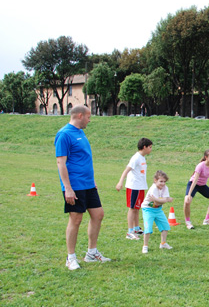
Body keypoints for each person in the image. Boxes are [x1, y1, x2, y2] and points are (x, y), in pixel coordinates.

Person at [54, 105, 110, 270]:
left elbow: (83, 160)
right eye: (88, 117)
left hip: (88, 184)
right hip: (75, 185)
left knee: (98, 215)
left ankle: (91, 253)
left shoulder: (80, 133)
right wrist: (68, 188)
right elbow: (61, 163)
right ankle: (70, 257)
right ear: (80, 115)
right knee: (76, 219)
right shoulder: (64, 134)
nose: (89, 120)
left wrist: (91, 181)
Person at [115, 138, 153, 240]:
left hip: (140, 186)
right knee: (132, 208)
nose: (151, 149)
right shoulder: (136, 158)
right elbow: (126, 170)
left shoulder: (142, 158)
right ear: (144, 147)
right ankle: (130, 231)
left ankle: (136, 228)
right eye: (150, 147)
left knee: (137, 207)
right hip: (134, 187)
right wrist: (120, 182)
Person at [184, 150, 209, 229]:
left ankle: (207, 219)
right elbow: (195, 180)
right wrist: (189, 194)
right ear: (206, 157)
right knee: (187, 201)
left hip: (202, 185)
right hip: (193, 184)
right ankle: (188, 222)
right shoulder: (200, 165)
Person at [140, 170, 174, 254]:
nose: (162, 183)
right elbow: (157, 202)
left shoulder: (165, 188)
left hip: (158, 210)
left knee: (165, 226)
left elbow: (161, 201)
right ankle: (145, 246)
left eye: (164, 182)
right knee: (148, 228)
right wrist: (163, 200)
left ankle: (163, 243)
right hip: (148, 210)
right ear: (155, 180)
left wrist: (159, 200)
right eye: (160, 181)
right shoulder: (153, 188)